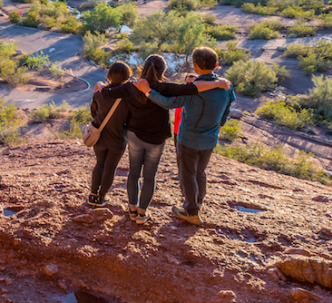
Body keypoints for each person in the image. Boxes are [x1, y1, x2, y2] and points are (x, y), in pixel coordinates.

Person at [97, 56, 229, 225]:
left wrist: (100, 85)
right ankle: (142, 213)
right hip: (156, 138)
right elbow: (193, 89)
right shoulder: (165, 88)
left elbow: (107, 93)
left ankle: (132, 209)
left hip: (134, 135)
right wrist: (217, 83)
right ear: (163, 71)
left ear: (143, 67)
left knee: (134, 173)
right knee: (150, 176)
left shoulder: (131, 86)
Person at [138, 47, 236, 226]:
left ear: (195, 66)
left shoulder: (193, 90)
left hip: (189, 138)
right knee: (200, 172)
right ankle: (197, 203)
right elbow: (228, 107)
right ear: (216, 65)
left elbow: (169, 103)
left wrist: (148, 92)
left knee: (188, 174)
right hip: (210, 138)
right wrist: (219, 125)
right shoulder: (226, 86)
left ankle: (191, 211)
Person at [88, 62, 132, 207]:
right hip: (118, 138)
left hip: (100, 136)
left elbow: (93, 113)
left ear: (109, 75)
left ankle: (92, 195)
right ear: (127, 77)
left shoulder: (99, 94)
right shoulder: (128, 97)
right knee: (110, 168)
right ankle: (101, 198)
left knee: (99, 164)